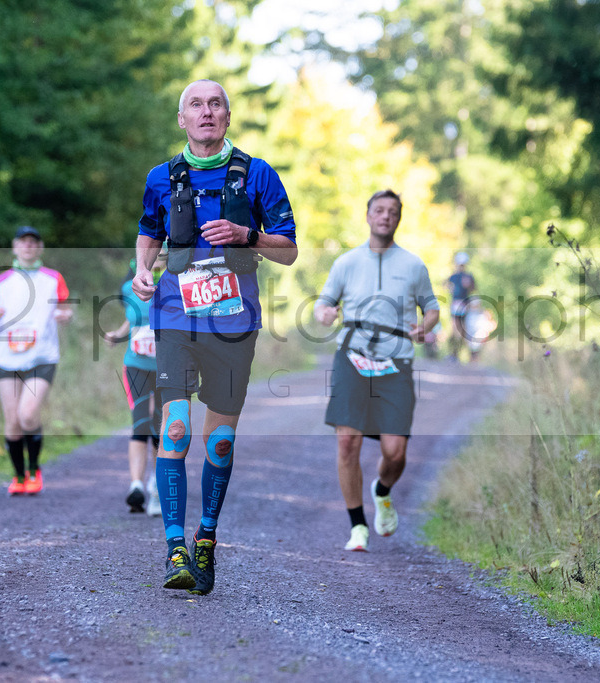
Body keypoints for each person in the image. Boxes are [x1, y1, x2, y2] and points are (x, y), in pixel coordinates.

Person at [132, 79, 298, 594]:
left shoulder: (259, 174)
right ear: (182, 119)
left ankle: (207, 537)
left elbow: (289, 249)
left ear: (227, 117)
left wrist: (246, 235)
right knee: (176, 429)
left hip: (234, 320)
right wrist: (141, 269)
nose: (206, 112)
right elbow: (148, 231)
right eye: (196, 105)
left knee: (220, 440)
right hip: (175, 317)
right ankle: (175, 549)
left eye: (215, 104)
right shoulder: (161, 177)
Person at [314, 190, 440, 552]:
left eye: (393, 212)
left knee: (395, 451)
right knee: (347, 441)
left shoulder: (414, 265)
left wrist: (425, 325)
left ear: (399, 219)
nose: (385, 216)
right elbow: (324, 304)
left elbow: (432, 308)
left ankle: (382, 492)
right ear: (367, 216)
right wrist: (323, 313)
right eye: (379, 210)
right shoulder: (346, 262)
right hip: (352, 354)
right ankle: (358, 527)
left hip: (396, 360)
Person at [0, 226, 73, 495]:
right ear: (14, 247)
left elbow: (66, 311)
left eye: (34, 242)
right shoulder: (1, 280)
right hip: (5, 357)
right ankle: (19, 477)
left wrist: (65, 316)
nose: (28, 246)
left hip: (41, 356)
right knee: (12, 420)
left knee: (28, 414)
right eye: (23, 242)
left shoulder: (53, 278)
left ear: (40, 248)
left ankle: (34, 470)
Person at [104, 249, 168, 516]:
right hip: (136, 365)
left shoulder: (176, 284)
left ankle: (157, 483)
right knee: (140, 422)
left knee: (160, 424)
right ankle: (136, 486)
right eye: (157, 251)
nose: (160, 255)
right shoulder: (128, 287)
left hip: (167, 367)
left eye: (165, 251)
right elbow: (134, 318)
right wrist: (117, 334)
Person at [446, 251, 476, 362]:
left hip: (464, 304)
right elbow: (447, 287)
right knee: (454, 328)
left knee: (463, 329)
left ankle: (467, 353)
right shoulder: (453, 276)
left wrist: (469, 285)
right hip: (455, 304)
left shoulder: (468, 276)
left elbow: (473, 288)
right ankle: (454, 353)